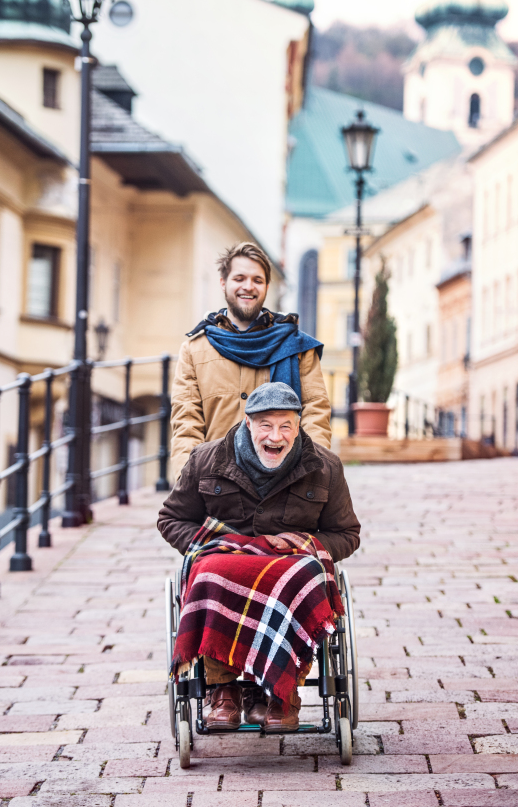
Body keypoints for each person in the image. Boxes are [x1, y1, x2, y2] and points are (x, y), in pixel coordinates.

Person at [158, 382, 360, 733]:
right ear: (248, 423)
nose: (275, 436)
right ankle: (224, 690)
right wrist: (215, 545)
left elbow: (347, 533)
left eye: (286, 426)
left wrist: (305, 544)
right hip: (226, 558)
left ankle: (281, 693)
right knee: (210, 570)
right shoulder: (207, 459)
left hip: (287, 565)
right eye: (266, 425)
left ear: (299, 427)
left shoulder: (324, 466)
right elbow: (171, 519)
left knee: (306, 573)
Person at [170, 241, 332, 480]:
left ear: (267, 286)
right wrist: (189, 482)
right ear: (223, 282)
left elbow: (315, 416)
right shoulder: (195, 350)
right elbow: (187, 423)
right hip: (216, 484)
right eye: (239, 278)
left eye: (257, 280)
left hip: (284, 483)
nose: (248, 286)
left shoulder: (297, 347)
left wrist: (314, 478)